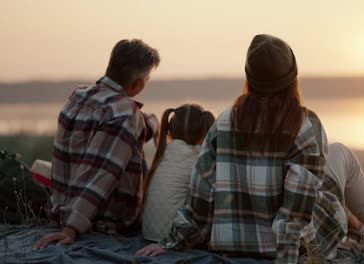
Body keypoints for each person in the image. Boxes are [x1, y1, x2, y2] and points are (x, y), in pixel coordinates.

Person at [137, 34, 346, 262]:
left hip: (232, 245)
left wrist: (173, 241)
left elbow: (201, 195)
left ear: (249, 78)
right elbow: (296, 212)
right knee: (340, 161)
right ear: (292, 78)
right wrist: (286, 258)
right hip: (285, 249)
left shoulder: (225, 120)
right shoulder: (305, 125)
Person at [33, 39, 160, 249]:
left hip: (62, 207)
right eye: (147, 78)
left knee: (130, 139)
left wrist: (151, 123)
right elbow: (102, 173)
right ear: (138, 83)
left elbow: (106, 127)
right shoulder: (126, 113)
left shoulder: (80, 95)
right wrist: (72, 229)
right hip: (101, 220)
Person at [142, 104, 215, 243]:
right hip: (173, 238)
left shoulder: (165, 154)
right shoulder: (199, 159)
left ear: (169, 131)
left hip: (149, 233)